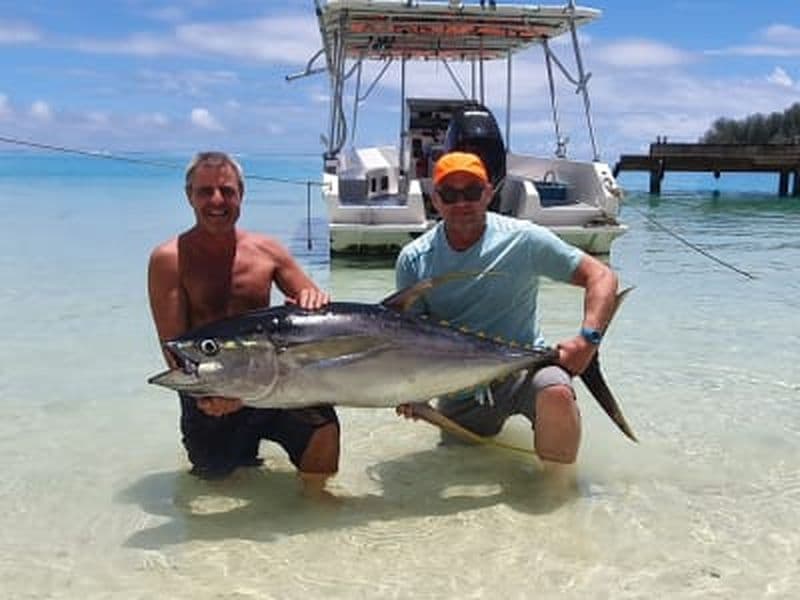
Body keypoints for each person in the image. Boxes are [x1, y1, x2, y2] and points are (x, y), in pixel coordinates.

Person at [395, 151, 619, 465]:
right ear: (436, 199)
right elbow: (411, 341)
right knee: (458, 466)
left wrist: (587, 341)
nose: (461, 203)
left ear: (489, 192)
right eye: (450, 194)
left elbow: (601, 276)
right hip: (460, 388)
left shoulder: (523, 240)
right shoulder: (413, 259)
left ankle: (558, 496)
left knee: (555, 391)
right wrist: (411, 390)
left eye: (472, 192)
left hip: (526, 369)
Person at [148, 151, 339, 482]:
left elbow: (316, 309)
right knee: (218, 485)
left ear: (241, 195)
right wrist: (213, 397)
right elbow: (175, 348)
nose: (217, 200)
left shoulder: (268, 251)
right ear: (189, 196)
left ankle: (316, 509)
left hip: (275, 383)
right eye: (205, 191)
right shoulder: (170, 259)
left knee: (324, 427)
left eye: (227, 191)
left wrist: (313, 296)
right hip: (211, 395)